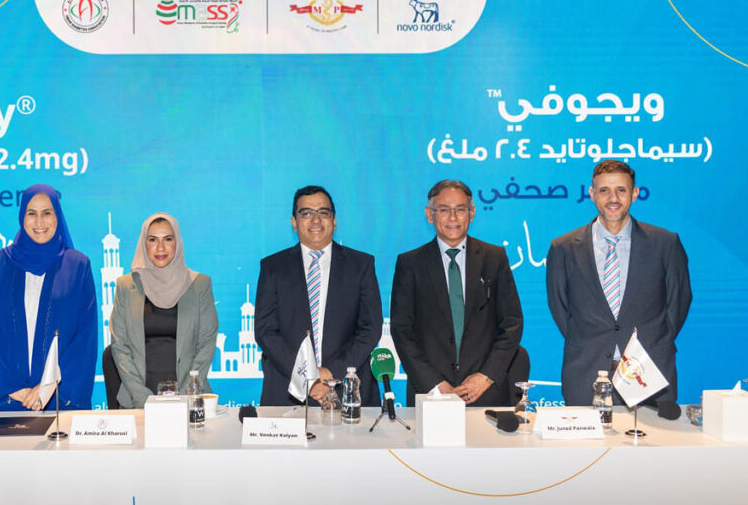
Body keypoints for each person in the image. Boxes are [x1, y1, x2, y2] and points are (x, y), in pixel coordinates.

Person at [547, 160, 691, 405]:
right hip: (586, 373)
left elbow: (678, 303)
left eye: (621, 190)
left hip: (649, 374)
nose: (613, 198)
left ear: (634, 194)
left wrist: (652, 340)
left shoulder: (665, 244)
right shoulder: (563, 248)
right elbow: (560, 308)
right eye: (604, 190)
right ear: (592, 194)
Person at [390, 180, 523, 407]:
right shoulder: (410, 264)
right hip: (431, 394)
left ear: (471, 213)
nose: (453, 218)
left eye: (460, 209)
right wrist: (434, 384)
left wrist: (485, 377)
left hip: (484, 392)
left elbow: (512, 324)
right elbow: (402, 330)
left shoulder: (494, 258)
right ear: (429, 214)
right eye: (444, 210)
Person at [0, 184, 97, 411]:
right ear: (22, 216)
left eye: (47, 213)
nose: (39, 222)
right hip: (9, 398)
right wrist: (12, 388)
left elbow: (84, 340)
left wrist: (46, 387)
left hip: (59, 400)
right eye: (32, 213)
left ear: (58, 216)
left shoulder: (77, 266)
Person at [254, 185, 383, 406]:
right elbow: (265, 331)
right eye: (306, 213)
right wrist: (307, 376)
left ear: (334, 221)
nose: (316, 220)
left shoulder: (361, 265)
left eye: (323, 212)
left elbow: (370, 328)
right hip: (288, 391)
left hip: (348, 389)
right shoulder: (273, 267)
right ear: (294, 222)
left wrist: (331, 373)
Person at [109, 213, 219, 408]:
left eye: (168, 239)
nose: (160, 248)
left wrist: (185, 397)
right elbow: (120, 346)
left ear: (178, 242)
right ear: (143, 244)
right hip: (137, 401)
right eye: (152, 240)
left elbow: (206, 344)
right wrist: (143, 398)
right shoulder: (125, 286)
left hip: (189, 398)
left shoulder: (200, 285)